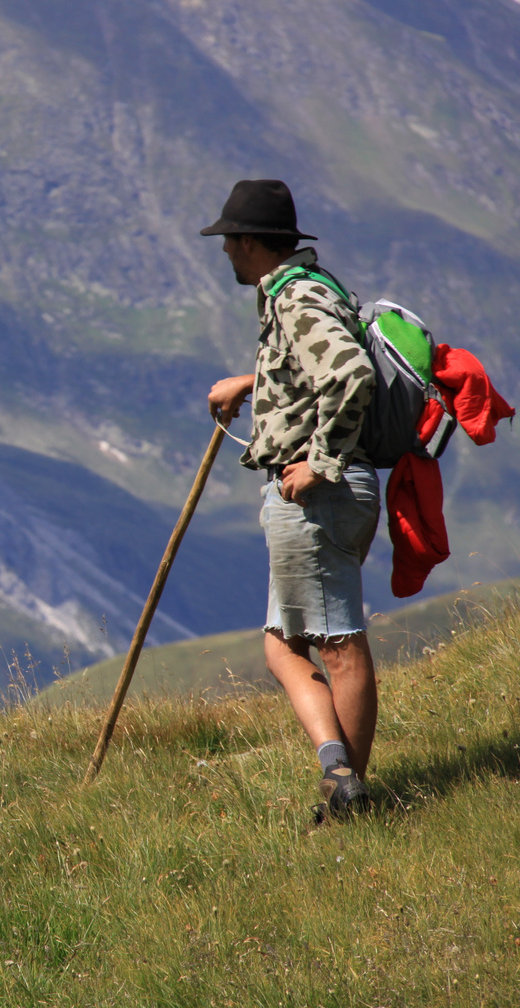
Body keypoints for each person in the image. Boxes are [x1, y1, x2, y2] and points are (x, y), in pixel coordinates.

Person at [202, 180, 378, 820]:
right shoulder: (306, 290)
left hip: (319, 495)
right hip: (320, 495)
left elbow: (350, 373)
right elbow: (316, 364)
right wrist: (253, 380)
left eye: (228, 242)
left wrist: (322, 463)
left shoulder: (297, 296)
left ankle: (346, 797)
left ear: (248, 241)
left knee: (337, 643)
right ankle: (339, 773)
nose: (225, 254)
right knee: (283, 643)